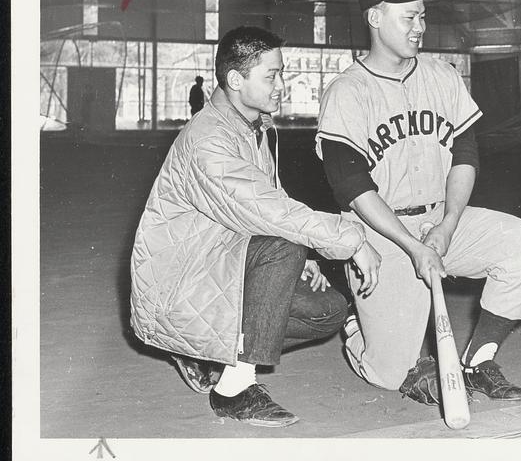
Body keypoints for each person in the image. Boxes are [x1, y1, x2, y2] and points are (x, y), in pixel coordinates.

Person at [315, 0, 521, 406]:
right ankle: (352, 322)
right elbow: (350, 184)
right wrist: (413, 245)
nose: (420, 27)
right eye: (409, 17)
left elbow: (466, 155)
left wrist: (447, 224)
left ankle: (479, 360)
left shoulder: (442, 75)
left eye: (422, 16)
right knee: (389, 373)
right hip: (381, 232)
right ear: (375, 18)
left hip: (441, 219)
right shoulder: (347, 91)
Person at [130, 26, 381, 427]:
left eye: (282, 73)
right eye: (272, 75)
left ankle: (208, 354)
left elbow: (272, 201)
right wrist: (351, 240)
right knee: (283, 246)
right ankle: (234, 390)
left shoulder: (253, 127)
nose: (282, 84)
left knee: (328, 312)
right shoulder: (208, 140)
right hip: (180, 285)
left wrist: (307, 257)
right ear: (235, 80)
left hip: (221, 265)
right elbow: (266, 210)